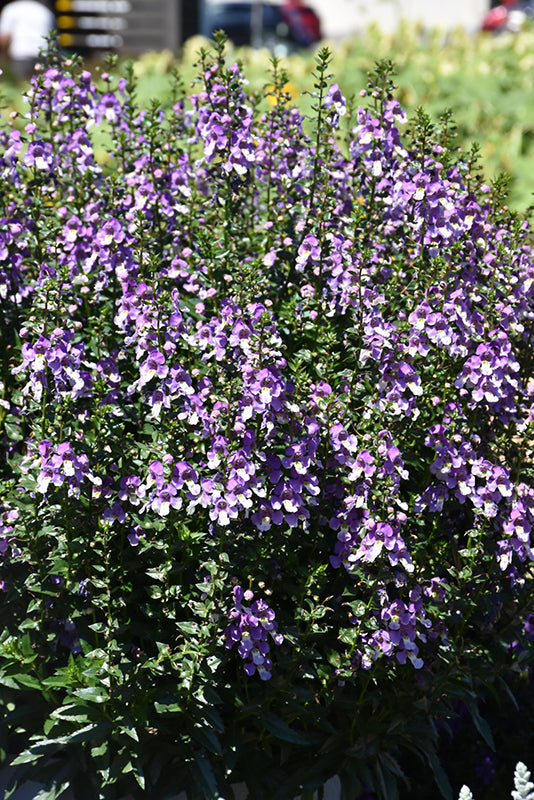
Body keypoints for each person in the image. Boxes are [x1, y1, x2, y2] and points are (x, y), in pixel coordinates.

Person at [0, 0, 56, 80]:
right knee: (41, 86)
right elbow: (54, 38)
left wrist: (5, 59)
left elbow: (4, 38)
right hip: (43, 56)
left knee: (21, 86)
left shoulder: (12, 8)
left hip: (21, 55)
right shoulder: (45, 10)